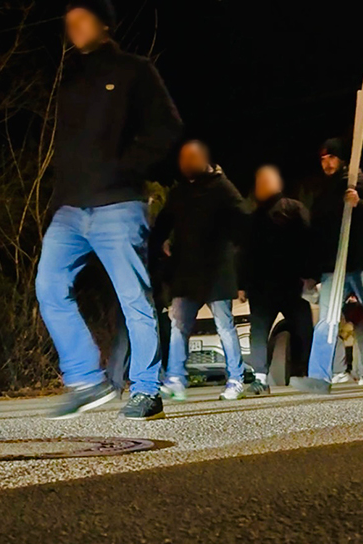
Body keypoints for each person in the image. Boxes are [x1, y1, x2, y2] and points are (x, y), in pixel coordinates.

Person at [35, 0, 183, 421]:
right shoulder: (69, 80)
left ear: (103, 24)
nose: (75, 28)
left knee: (133, 296)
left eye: (83, 19)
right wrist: (56, 200)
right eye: (69, 22)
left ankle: (147, 389)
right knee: (49, 286)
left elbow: (167, 127)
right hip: (70, 208)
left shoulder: (134, 70)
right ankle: (87, 379)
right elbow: (66, 150)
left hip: (118, 203)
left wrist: (126, 167)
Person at [292, 138, 363, 394]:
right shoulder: (322, 191)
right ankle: (319, 377)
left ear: (342, 159)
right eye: (322, 159)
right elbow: (318, 233)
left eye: (331, 157)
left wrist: (361, 204)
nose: (327, 163)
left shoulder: (362, 182)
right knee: (326, 320)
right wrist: (312, 271)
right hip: (335, 266)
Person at [152, 141, 248, 401]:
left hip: (216, 270)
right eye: (182, 159)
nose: (185, 164)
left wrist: (236, 255)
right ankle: (175, 379)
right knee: (179, 325)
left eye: (190, 158)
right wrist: (160, 243)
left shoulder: (222, 187)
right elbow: (163, 222)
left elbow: (242, 222)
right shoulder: (180, 192)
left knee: (224, 325)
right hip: (187, 271)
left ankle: (236, 379)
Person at [238, 164, 314, 394]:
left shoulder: (293, 209)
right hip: (263, 284)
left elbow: (309, 240)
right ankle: (261, 377)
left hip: (288, 281)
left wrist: (310, 273)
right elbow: (245, 252)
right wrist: (241, 284)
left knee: (302, 326)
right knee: (260, 331)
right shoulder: (254, 217)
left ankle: (304, 371)